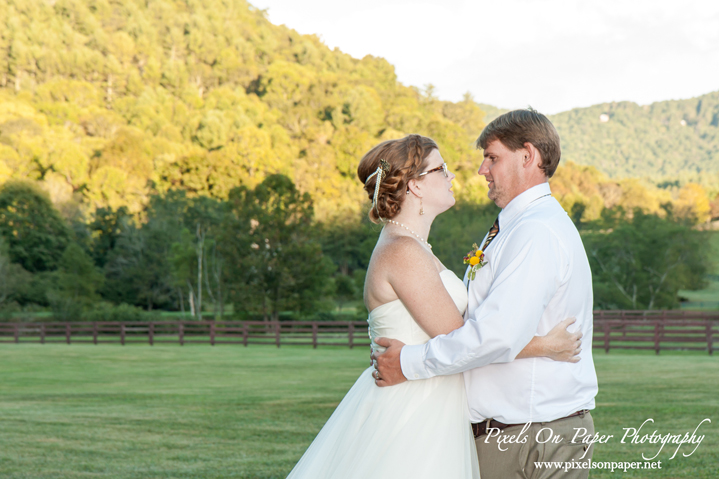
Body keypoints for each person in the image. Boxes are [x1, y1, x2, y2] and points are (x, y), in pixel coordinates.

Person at [286, 134, 583, 479]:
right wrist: (546, 346)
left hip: (432, 400)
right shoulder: (403, 252)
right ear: (414, 186)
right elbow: (461, 335)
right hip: (412, 408)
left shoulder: (414, 247)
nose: (452, 176)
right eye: (441, 169)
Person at [373, 111, 599, 479]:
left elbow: (496, 336)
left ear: (528, 157)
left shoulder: (535, 232)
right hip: (518, 434)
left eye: (492, 157)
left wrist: (408, 363)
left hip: (529, 438)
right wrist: (542, 344)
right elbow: (483, 326)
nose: (481, 170)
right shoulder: (516, 226)